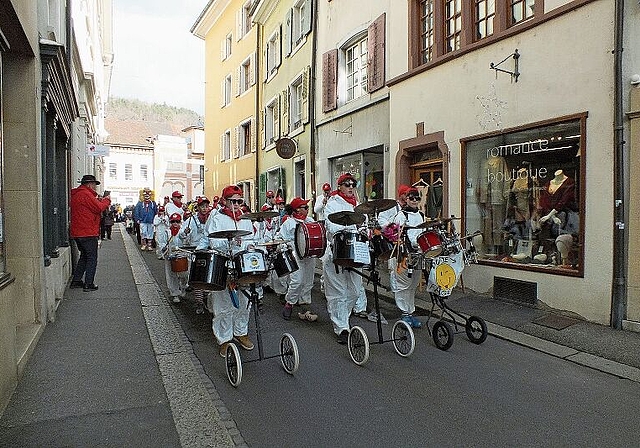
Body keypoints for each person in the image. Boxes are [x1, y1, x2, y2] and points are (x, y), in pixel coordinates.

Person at [198, 185, 256, 357]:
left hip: (243, 265)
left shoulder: (245, 218)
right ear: (225, 201)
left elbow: (251, 238)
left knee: (245, 302)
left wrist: (249, 245)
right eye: (233, 201)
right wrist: (232, 243)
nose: (237, 204)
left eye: (240, 201)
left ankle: (240, 332)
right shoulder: (217, 218)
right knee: (223, 304)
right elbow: (214, 242)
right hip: (224, 264)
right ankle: (224, 338)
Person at [323, 173, 366, 344]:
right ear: (339, 186)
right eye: (346, 184)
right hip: (337, 252)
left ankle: (343, 316)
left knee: (355, 291)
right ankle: (341, 327)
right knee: (338, 292)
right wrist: (349, 226)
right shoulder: (332, 204)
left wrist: (365, 231)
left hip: (355, 252)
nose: (350, 187)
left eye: (352, 184)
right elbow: (331, 226)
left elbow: (365, 225)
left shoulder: (359, 205)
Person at [277, 197, 318, 322]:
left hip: (309, 255)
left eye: (307, 207)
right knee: (297, 281)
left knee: (308, 281)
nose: (307, 209)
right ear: (297, 210)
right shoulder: (289, 223)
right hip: (295, 255)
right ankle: (289, 303)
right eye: (305, 207)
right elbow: (279, 238)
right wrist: (286, 246)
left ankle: (305, 307)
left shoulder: (310, 220)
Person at [388, 186, 424, 328]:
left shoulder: (421, 215)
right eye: (411, 198)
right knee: (403, 284)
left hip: (417, 254)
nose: (414, 200)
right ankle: (404, 313)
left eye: (417, 198)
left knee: (413, 284)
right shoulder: (401, 215)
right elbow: (394, 234)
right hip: (404, 255)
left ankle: (410, 312)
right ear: (406, 199)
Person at [69, 174, 111, 291]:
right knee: (92, 258)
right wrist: (107, 200)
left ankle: (76, 280)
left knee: (84, 256)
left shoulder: (77, 194)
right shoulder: (86, 194)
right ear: (89, 184)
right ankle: (89, 283)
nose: (95, 187)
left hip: (78, 232)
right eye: (94, 185)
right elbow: (99, 208)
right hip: (87, 231)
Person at [181, 196, 213, 314]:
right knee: (197, 278)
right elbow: (181, 235)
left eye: (206, 206)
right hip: (195, 250)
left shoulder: (212, 219)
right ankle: (199, 303)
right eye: (202, 206)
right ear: (198, 207)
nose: (204, 208)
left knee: (208, 278)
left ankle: (205, 299)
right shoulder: (191, 220)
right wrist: (185, 232)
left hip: (209, 251)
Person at [161, 213, 190, 303]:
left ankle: (183, 287)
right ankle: (175, 294)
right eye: (173, 221)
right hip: (170, 255)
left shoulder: (181, 230)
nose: (175, 223)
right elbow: (162, 242)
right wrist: (164, 249)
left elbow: (183, 236)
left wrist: (185, 232)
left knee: (184, 274)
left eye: (177, 221)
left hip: (182, 255)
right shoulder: (166, 232)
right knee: (171, 275)